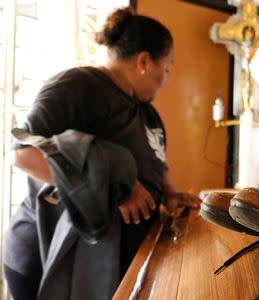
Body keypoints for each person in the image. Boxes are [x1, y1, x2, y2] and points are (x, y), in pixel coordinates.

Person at [3, 7, 201, 300]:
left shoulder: (145, 110)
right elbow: (22, 153)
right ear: (144, 61)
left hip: (106, 262)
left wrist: (170, 191)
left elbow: (156, 160)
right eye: (167, 67)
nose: (167, 78)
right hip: (46, 256)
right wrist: (112, 190)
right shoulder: (77, 86)